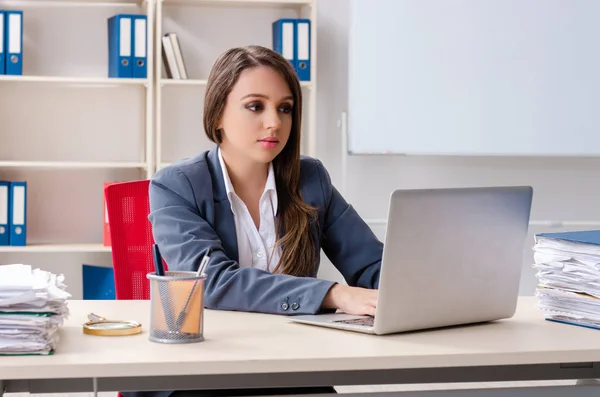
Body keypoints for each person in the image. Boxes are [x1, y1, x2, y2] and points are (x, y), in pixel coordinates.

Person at [134, 45, 383, 397]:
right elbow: (212, 282)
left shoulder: (309, 178)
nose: (275, 122)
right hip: (201, 371)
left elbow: (370, 262)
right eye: (255, 106)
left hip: (288, 363)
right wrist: (334, 293)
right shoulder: (176, 185)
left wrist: (413, 290)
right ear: (217, 113)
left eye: (285, 108)